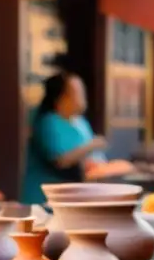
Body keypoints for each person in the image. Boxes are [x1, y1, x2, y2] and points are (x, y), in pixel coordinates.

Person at [21, 73, 108, 204]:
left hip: (76, 194)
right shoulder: (48, 123)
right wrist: (91, 146)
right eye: (76, 92)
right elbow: (60, 160)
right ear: (61, 97)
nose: (82, 97)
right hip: (46, 196)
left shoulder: (81, 122)